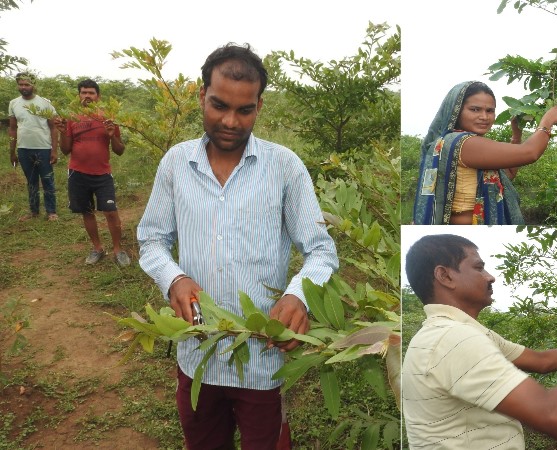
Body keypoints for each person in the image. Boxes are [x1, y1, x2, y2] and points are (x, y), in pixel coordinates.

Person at [137, 43, 339, 449]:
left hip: (262, 359)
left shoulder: (285, 167)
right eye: (218, 105)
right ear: (201, 96)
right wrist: (173, 278)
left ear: (259, 106)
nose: (230, 121)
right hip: (198, 356)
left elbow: (321, 249)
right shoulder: (177, 163)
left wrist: (298, 295)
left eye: (244, 110)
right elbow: (151, 240)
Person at [402, 234, 557, 449]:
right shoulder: (454, 340)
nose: (491, 277)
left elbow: (543, 361)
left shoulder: (461, 333)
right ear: (445, 276)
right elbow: (553, 414)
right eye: (478, 268)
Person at [412, 81, 557, 225]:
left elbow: (508, 174)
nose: (484, 117)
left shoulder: (450, 142)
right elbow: (530, 153)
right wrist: (547, 122)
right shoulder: (464, 143)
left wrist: (516, 135)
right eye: (475, 109)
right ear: (456, 111)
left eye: (489, 111)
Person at [54, 79, 130, 266]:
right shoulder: (71, 118)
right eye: (83, 92)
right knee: (87, 212)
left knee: (110, 212)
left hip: (103, 173)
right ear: (78, 95)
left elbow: (120, 150)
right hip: (78, 173)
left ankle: (118, 250)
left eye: (91, 93)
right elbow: (65, 150)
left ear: (98, 96)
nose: (87, 96)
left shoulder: (108, 118)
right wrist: (63, 132)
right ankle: (97, 248)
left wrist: (113, 136)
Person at [8, 72, 59, 221]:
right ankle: (34, 211)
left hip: (43, 148)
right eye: (21, 84)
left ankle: (51, 212)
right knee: (31, 181)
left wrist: (54, 150)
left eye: (27, 84)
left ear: (33, 85)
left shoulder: (45, 103)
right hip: (23, 148)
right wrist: (12, 151)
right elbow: (12, 128)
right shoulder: (14, 103)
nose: (23, 87)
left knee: (47, 180)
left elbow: (53, 128)